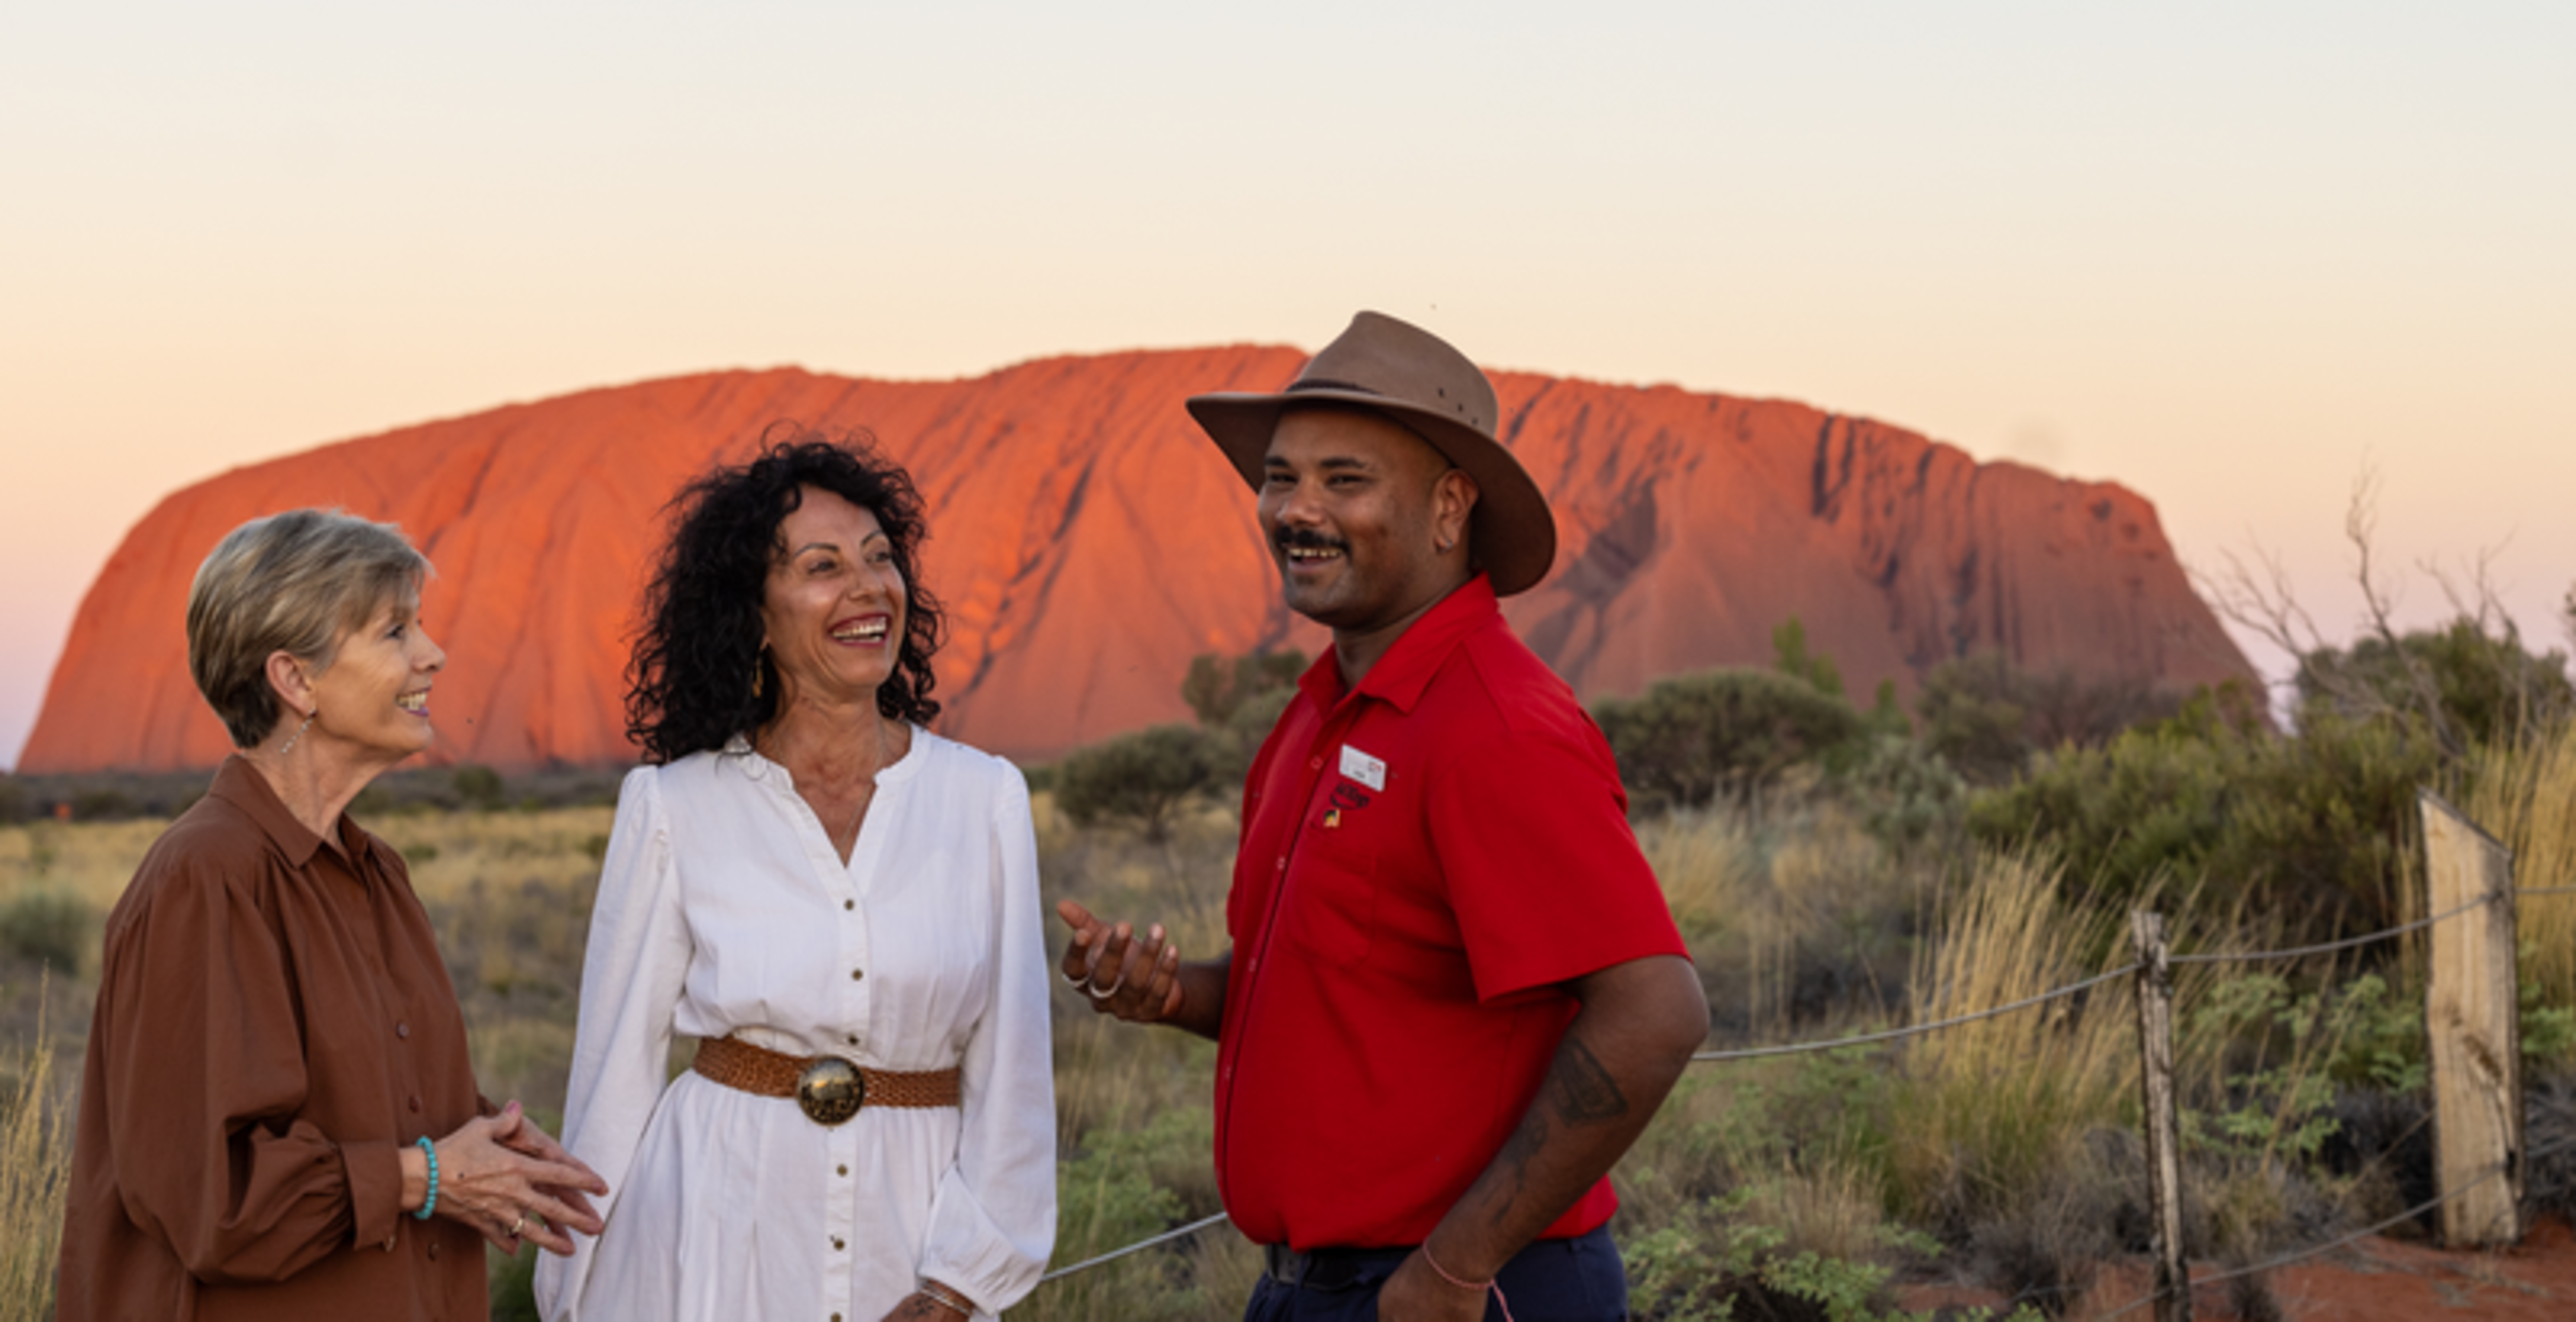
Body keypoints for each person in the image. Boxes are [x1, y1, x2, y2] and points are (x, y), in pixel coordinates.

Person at [1060, 312, 1710, 1322]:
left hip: (1465, 1292)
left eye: (1344, 480)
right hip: (1316, 1287)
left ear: (1451, 508)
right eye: (1281, 477)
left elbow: (1657, 1012)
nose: (1298, 510)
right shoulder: (1318, 717)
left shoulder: (1494, 729)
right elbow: (1345, 990)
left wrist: (1456, 1267)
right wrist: (1174, 995)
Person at [538, 436, 1055, 1322]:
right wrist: (570, 1287)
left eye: (880, 559)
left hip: (914, 1237)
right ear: (756, 615)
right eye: (823, 567)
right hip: (710, 1227)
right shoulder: (673, 804)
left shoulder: (985, 799)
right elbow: (613, 1071)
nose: (866, 589)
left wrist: (959, 1287)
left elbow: (1015, 1080)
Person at [58, 509, 609, 1322]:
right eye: (395, 631)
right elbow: (216, 1200)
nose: (434, 654)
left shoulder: (376, 873)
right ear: (296, 680)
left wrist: (492, 1146)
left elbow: (385, 1110)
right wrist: (430, 1176)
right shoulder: (206, 878)